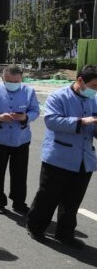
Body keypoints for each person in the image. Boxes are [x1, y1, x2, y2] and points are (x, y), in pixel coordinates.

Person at [26, 65, 97, 248]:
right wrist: (81, 121)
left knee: (72, 200)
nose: (96, 90)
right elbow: (51, 121)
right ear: (80, 81)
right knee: (48, 196)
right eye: (94, 86)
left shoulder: (94, 100)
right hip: (59, 157)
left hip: (84, 159)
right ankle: (36, 227)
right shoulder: (59, 96)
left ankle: (65, 234)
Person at [0, 64, 39, 215]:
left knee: (20, 173)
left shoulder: (29, 91)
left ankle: (19, 202)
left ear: (21, 79)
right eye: (9, 80)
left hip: (21, 139)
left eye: (16, 81)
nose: (12, 84)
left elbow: (35, 110)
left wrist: (26, 117)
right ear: (2, 78)